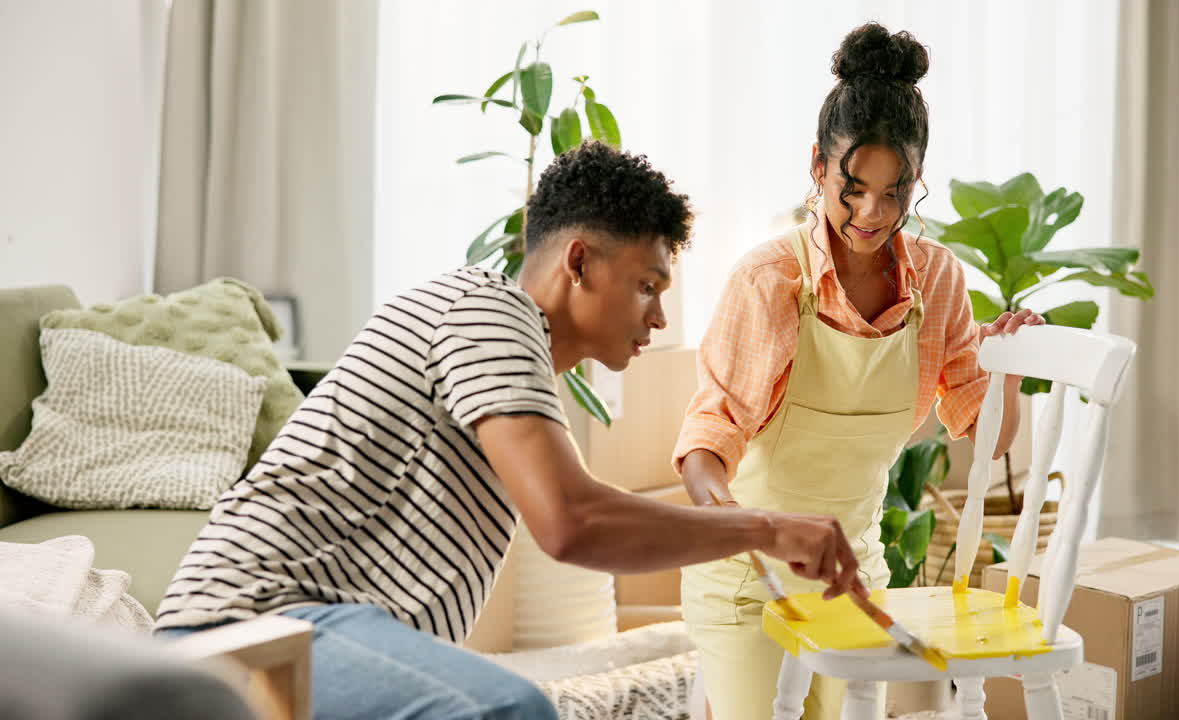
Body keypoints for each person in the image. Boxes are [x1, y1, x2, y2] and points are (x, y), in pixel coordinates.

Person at [154, 141, 870, 720]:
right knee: (508, 710)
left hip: (316, 634)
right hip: (250, 631)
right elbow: (572, 521)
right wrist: (769, 529)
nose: (657, 317)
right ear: (580, 262)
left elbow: (584, 511)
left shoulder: (503, 347)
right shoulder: (486, 311)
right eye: (648, 285)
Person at [674, 23, 1044, 720]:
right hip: (748, 583)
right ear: (819, 166)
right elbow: (705, 444)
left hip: (854, 580)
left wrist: (1007, 372)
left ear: (917, 181)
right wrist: (750, 532)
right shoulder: (770, 280)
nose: (872, 214)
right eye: (853, 189)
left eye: (895, 192)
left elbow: (987, 438)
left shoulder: (936, 281)